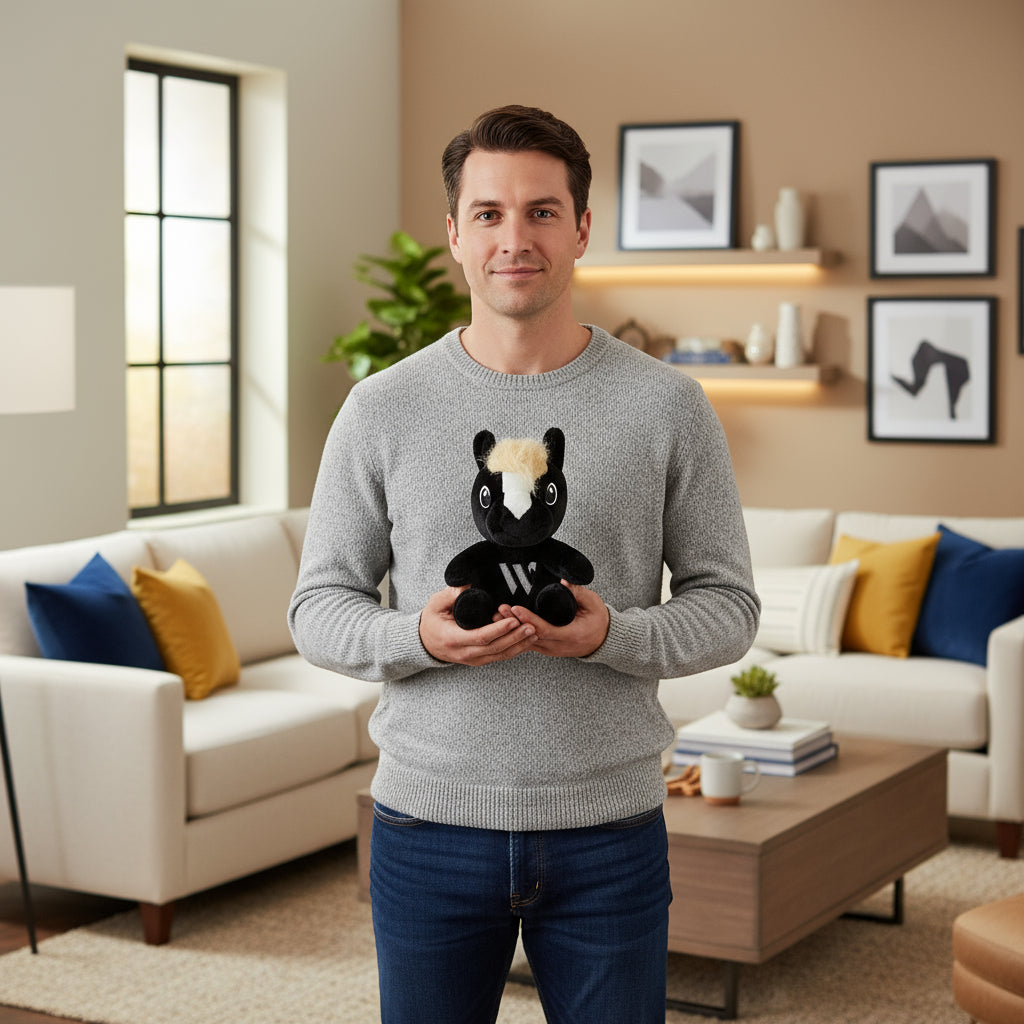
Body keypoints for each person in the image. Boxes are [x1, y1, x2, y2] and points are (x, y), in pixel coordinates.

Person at [288, 104, 759, 1024]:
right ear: (455, 233)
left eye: (543, 212)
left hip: (610, 833)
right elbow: (317, 607)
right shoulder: (380, 408)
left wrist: (610, 634)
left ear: (582, 229)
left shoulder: (670, 407)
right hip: (427, 829)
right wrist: (413, 636)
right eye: (491, 213)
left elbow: (729, 605)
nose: (516, 238)